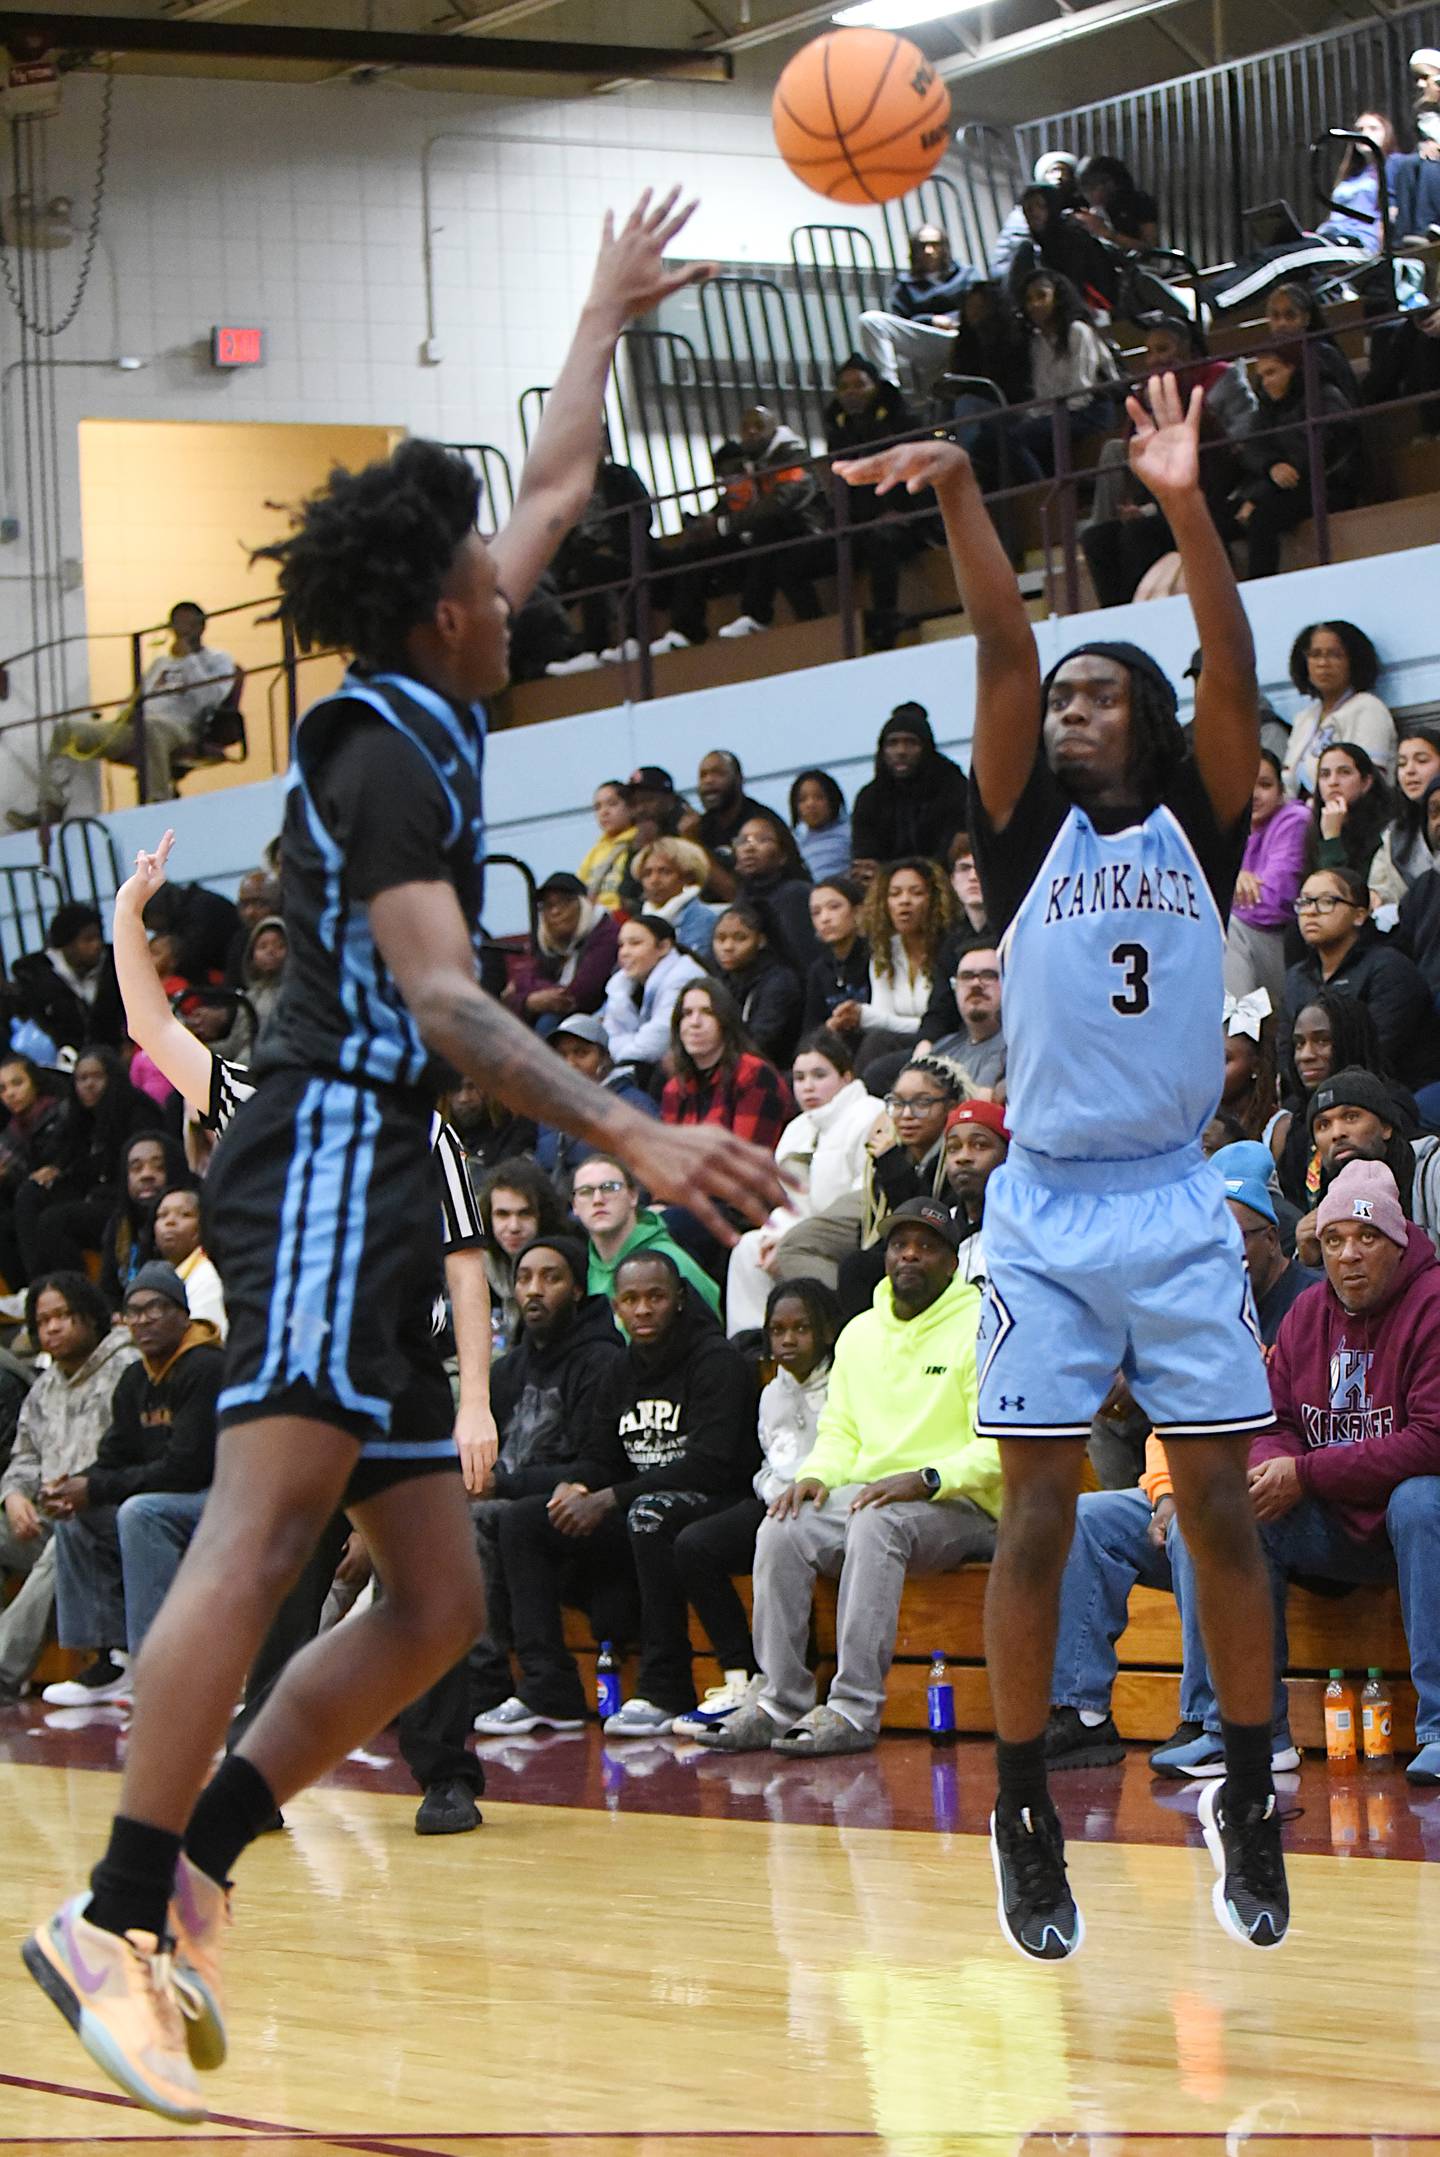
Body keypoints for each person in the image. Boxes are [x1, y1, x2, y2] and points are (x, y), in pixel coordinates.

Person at [23, 188, 787, 2126]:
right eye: (483, 565)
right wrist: (631, 1117)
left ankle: (196, 1869)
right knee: (271, 1526)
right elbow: (447, 1004)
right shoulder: (377, 748)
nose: (508, 571)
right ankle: (109, 1906)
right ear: (436, 600)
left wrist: (605, 312)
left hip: (380, 1168)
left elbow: (551, 477)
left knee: (434, 1601)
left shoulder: (447, 670)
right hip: (321, 1152)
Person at [834, 371, 1289, 1958]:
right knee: (1035, 1513)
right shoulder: (1023, 834)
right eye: (1071, 697)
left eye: (1107, 693)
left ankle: (1247, 1776)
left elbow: (1230, 656)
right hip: (1042, 1206)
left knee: (1219, 1509)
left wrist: (1182, 497)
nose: (1077, 705)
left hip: (1173, 1193)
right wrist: (964, 494)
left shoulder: (1202, 824)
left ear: (1152, 728)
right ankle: (1025, 1800)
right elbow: (1003, 649)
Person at [106, 830, 506, 1842]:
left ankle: (443, 1771)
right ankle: (220, 1795)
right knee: (269, 1577)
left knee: (437, 1595)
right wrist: (128, 911)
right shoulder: (247, 1096)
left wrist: (473, 1400)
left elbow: (466, 1265)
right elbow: (148, 1022)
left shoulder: (420, 1122)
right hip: (291, 1364)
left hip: (399, 1363)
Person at [1048, 1142, 1321, 1776]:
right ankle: (1082, 1713)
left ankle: (1212, 1719)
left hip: (1281, 1501)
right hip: (1196, 1493)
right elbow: (1167, 1419)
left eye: (1237, 1235)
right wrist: (1166, 1490)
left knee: (1205, 1516)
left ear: (1272, 1233)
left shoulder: (1308, 1305)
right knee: (1087, 1518)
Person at [699, 1197, 999, 1758]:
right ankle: (780, 1700)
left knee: (876, 1524)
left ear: (953, 1260)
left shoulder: (980, 1325)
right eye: (898, 1244)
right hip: (873, 1498)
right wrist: (815, 1475)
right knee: (783, 1525)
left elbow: (1001, 1448)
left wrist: (928, 1477)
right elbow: (840, 1430)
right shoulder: (860, 1331)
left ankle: (854, 1708)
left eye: (926, 1246)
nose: (909, 1255)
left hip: (964, 1505)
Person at [1189, 1160, 1440, 1785]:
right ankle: (1250, 1734)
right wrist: (1271, 1464)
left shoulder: (1433, 1305)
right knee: (1232, 1512)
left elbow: (1431, 1441)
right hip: (1338, 1520)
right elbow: (1270, 1420)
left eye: (1366, 1238)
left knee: (1421, 1500)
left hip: (1411, 1526)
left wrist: (1306, 1473)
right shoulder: (1307, 1313)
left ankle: (1438, 1728)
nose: (1349, 1255)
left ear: (1398, 1240)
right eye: (1333, 1241)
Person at [477, 1248, 756, 1738]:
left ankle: (665, 1688)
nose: (643, 1309)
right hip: (637, 1504)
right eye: (630, 1299)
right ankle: (549, 1689)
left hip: (718, 1504)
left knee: (648, 1514)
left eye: (655, 1297)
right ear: (615, 1308)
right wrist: (578, 1487)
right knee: (522, 1521)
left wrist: (608, 1498)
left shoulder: (718, 1362)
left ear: (680, 1299)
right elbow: (602, 1459)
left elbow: (710, 1466)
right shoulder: (620, 1369)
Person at [39, 1264, 223, 1710]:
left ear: (182, 1313)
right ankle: (110, 1659)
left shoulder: (209, 1366)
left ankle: (155, 1664)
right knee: (79, 1517)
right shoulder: (135, 1380)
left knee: (139, 1513)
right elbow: (113, 1458)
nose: (143, 1320)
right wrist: (76, 1487)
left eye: (156, 1308)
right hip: (167, 1499)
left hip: (223, 1500)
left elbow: (187, 1468)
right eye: (134, 1311)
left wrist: (100, 1489)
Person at [671, 1279, 842, 1735]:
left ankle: (808, 1683)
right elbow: (768, 1463)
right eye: (777, 1330)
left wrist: (805, 1492)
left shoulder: (847, 1383)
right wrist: (774, 1493)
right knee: (694, 1544)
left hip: (830, 1500)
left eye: (801, 1328)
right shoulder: (769, 1393)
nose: (788, 1340)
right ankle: (740, 1676)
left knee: (790, 1535)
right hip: (776, 1503)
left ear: (827, 1332)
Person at [466, 1234, 626, 1716]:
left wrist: (501, 1485)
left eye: (550, 1278)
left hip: (575, 1520)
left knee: (483, 1520)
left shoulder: (602, 1360)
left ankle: (487, 1680)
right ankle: (412, 1678)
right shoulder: (507, 1369)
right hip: (511, 1508)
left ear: (577, 1290)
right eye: (524, 1278)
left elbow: (599, 1466)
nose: (534, 1290)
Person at [0, 1272, 138, 1703]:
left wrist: (84, 1491)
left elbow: (137, 1455)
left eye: (62, 1316)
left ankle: (3, 1669)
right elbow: (25, 1457)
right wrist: (14, 1496)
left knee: (65, 1539)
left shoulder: (128, 1369)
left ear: (91, 1316)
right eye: (43, 1321)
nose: (52, 1328)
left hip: (106, 1517)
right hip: (47, 1512)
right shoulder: (44, 1386)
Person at [725, 1030, 882, 1335]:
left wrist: (792, 1237)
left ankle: (838, 1331)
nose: (807, 1086)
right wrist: (778, 1234)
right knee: (749, 1248)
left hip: (853, 1226)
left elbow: (864, 1192)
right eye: (799, 1078)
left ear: (846, 1077)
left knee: (789, 1247)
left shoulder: (869, 1112)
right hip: (807, 1227)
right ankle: (754, 1343)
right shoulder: (797, 1128)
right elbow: (790, 1202)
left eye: (819, 1075)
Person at [772, 1056, 960, 1293]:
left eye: (922, 1103)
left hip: (940, 1264)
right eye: (898, 1103)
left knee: (860, 1267)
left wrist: (892, 1165)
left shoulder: (955, 1155)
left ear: (951, 1107)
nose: (907, 1114)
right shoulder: (891, 1152)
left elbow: (923, 1221)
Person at [41, 602, 240, 812]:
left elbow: (210, 699)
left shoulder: (218, 659)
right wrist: (125, 713)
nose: (181, 630)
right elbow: (135, 698)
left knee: (151, 727)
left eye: (187, 624)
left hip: (182, 728)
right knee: (67, 731)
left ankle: (157, 803)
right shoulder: (161, 662)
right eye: (176, 624)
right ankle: (50, 805)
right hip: (139, 726)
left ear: (201, 627)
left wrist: (188, 660)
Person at [1283, 866, 1440, 1093]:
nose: (1311, 912)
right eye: (1304, 903)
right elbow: (1285, 1050)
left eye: (1326, 901)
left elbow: (1377, 1052)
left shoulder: (1390, 969)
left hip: (1393, 1096)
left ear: (1359, 914)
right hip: (1314, 1098)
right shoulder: (1297, 977)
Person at [822, 354, 925, 650]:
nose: (851, 392)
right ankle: (826, 632)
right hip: (859, 524)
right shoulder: (838, 431)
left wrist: (904, 512)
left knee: (883, 540)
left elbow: (920, 471)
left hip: (907, 519)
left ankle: (887, 621)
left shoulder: (902, 419)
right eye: (844, 387)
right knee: (798, 558)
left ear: (876, 386)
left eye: (859, 384)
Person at [1233, 349, 1360, 581]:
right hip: (1278, 487)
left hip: (1328, 486)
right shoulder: (1267, 406)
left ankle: (1260, 589)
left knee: (1263, 517)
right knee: (1219, 517)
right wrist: (1271, 467)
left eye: (1271, 372)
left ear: (1293, 368)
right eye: (1261, 376)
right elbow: (1253, 450)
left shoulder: (1325, 397)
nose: (1265, 382)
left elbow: (1314, 456)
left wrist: (1259, 495)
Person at [710, 405, 831, 642]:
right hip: (782, 537)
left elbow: (782, 501)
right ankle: (683, 633)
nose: (752, 432)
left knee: (771, 535)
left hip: (810, 530)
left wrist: (726, 524)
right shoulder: (754, 462)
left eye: (759, 426)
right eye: (746, 428)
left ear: (774, 428)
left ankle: (757, 615)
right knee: (705, 551)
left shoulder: (793, 455)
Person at [1271, 994, 1389, 1208]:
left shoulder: (1390, 1106)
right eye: (1299, 1044)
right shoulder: (1297, 1120)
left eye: (1322, 1040)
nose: (1305, 1055)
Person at [570, 1153, 721, 1316]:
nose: (598, 1199)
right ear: (575, 1206)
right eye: (585, 1191)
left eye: (610, 1187)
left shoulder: (670, 1261)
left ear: (633, 1196)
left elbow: (708, 1329)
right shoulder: (579, 1270)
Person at [845, 858, 957, 1074]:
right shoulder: (884, 952)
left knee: (877, 1044)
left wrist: (866, 1016)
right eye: (895, 894)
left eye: (916, 893)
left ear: (934, 900)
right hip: (898, 1043)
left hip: (944, 1042)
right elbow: (883, 1017)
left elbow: (941, 1021)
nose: (904, 901)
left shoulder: (949, 949)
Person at [660, 981, 794, 1155]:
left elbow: (745, 1160)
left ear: (725, 1020)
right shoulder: (675, 1088)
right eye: (687, 1013)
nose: (695, 1022)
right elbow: (666, 1159)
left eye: (707, 1012)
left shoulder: (754, 1073)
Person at [1013, 271, 1120, 476]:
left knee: (1022, 437)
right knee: (1006, 437)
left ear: (1057, 298)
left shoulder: (1078, 331)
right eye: (1029, 300)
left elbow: (1082, 391)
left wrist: (1048, 418)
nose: (1035, 304)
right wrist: (1037, 417)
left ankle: (1043, 492)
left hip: (1090, 411)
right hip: (1059, 412)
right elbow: (1042, 392)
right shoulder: (1036, 343)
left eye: (1041, 296)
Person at [1225, 749, 1311, 1003]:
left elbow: (1272, 905)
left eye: (1264, 784)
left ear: (1281, 791)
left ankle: (1241, 1034)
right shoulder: (1230, 825)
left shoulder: (1294, 820)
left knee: (1229, 930)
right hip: (1250, 949)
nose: (1253, 794)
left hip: (1287, 949)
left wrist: (1226, 886)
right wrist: (1235, 880)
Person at [533, 1014, 657, 1186]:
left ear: (604, 1058)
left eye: (581, 1053)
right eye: (561, 1055)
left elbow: (645, 1179)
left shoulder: (635, 1106)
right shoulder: (549, 1112)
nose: (570, 1064)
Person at [858, 226, 980, 399]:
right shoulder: (904, 284)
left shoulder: (966, 274)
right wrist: (931, 320)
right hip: (926, 340)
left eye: (935, 244)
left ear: (944, 247)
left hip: (963, 337)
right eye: (922, 245)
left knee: (945, 398)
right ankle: (888, 388)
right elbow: (901, 320)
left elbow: (980, 305)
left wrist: (952, 319)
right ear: (914, 250)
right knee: (869, 320)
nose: (929, 251)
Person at [849, 703, 969, 879]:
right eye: (893, 743)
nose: (901, 751)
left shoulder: (954, 788)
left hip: (944, 880)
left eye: (911, 743)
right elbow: (865, 857)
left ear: (926, 748)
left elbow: (956, 849)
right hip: (888, 886)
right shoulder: (869, 797)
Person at [1281, 621, 1396, 798]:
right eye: (1315, 654)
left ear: (1354, 661)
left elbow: (1372, 781)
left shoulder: (1368, 709)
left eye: (1334, 655)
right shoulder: (1304, 718)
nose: (1323, 663)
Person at [502, 872, 619, 1030]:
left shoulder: (606, 934)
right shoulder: (553, 942)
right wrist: (529, 1001)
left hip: (600, 1021)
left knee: (549, 1020)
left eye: (564, 902)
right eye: (547, 906)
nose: (555, 912)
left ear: (583, 904)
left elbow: (577, 996)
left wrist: (524, 997)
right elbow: (520, 982)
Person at [4, 903, 124, 1055]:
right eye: (88, 940)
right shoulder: (36, 977)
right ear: (66, 945)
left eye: (99, 937)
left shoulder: (114, 966)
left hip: (111, 1056)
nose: (97, 945)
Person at [476, 1161, 570, 1351]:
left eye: (525, 1214)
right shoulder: (482, 1266)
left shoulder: (566, 1264)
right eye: (502, 1215)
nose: (513, 1227)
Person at [601, 913, 707, 1076]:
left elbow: (656, 1043)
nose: (624, 952)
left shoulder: (683, 977)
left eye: (635, 943)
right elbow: (609, 1034)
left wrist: (618, 1049)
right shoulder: (620, 983)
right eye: (621, 945)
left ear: (663, 947)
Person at [709, 903, 803, 1069]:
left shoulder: (780, 981)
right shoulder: (718, 980)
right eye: (721, 938)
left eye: (740, 938)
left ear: (761, 940)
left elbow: (761, 1041)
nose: (728, 947)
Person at [730, 815, 817, 975]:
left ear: (783, 856)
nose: (749, 848)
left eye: (762, 840)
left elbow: (805, 960)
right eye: (742, 841)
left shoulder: (797, 894)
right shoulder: (741, 899)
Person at [1369, 729, 1440, 907]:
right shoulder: (1394, 833)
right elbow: (1380, 888)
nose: (1409, 771)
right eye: (1402, 764)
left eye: (1422, 760)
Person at [924, 940, 1005, 1093]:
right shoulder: (942, 1050)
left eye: (988, 975)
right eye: (966, 977)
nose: (975, 984)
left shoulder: (1019, 1048)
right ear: (955, 988)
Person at [1306, 743, 1392, 881]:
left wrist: (1332, 838)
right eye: (1324, 774)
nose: (1333, 782)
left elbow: (1341, 890)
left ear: (1366, 782)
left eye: (1344, 772)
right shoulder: (1311, 827)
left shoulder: (1385, 829)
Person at [150, 1189, 226, 1340]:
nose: (170, 1221)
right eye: (162, 1215)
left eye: (185, 1214)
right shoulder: (169, 1275)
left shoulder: (208, 1277)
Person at [630, 838, 722, 960]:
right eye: (647, 874)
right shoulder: (637, 922)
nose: (654, 880)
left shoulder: (703, 919)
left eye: (665, 872)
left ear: (689, 877)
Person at [801, 876, 870, 1033]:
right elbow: (810, 1030)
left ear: (858, 912)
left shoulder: (876, 956)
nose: (825, 918)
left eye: (834, 907)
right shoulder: (818, 970)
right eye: (816, 912)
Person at [694, 750, 771, 869]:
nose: (708, 780)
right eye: (703, 775)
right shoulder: (701, 826)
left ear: (739, 779)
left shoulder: (763, 823)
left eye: (718, 773)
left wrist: (693, 845)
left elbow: (738, 887)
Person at [577, 780, 637, 914]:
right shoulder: (596, 850)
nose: (604, 812)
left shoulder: (637, 843)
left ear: (631, 807)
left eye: (612, 804)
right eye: (598, 807)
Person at [789, 769, 851, 884]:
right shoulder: (796, 845)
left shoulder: (849, 832)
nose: (810, 804)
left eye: (819, 797)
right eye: (802, 800)